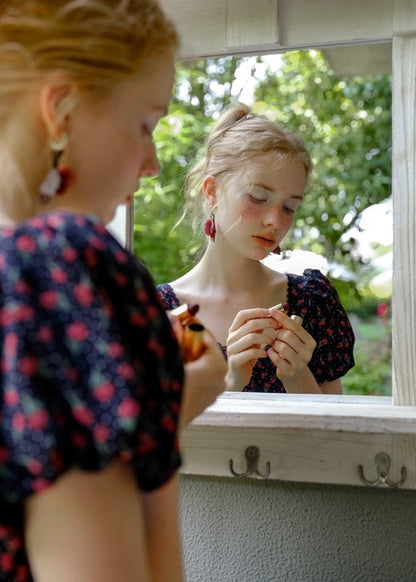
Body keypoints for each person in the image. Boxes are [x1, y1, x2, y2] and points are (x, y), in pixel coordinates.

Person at [0, 1, 227, 581]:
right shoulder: (59, 263)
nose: (151, 164)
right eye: (145, 124)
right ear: (61, 108)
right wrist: (159, 409)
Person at [158, 102, 355, 395]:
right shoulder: (168, 314)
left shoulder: (311, 302)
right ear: (212, 191)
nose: (275, 220)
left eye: (289, 207)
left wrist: (297, 375)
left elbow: (334, 436)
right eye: (258, 197)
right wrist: (232, 384)